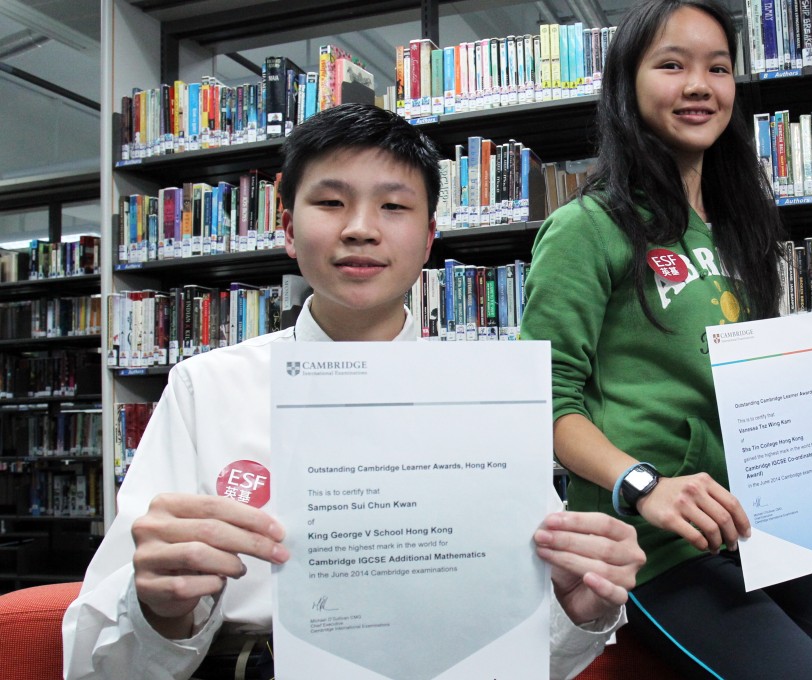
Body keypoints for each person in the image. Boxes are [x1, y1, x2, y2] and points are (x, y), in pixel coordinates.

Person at [63, 102, 645, 680]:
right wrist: (159, 611)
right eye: (330, 202)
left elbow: (534, 655)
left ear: (428, 239)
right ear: (288, 228)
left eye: (393, 206)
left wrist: (576, 611)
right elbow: (95, 664)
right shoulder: (208, 389)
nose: (361, 227)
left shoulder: (482, 399)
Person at [519, 2, 812, 678]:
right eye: (672, 65)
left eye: (717, 68)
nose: (699, 86)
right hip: (652, 547)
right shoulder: (585, 229)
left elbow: (760, 396)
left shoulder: (734, 231)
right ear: (626, 84)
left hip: (756, 534)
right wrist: (643, 482)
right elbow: (545, 399)